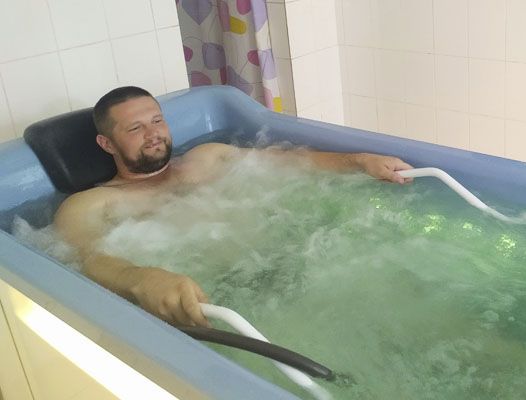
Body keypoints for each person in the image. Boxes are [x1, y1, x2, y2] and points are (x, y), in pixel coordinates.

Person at [54, 86, 413, 328]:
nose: (153, 134)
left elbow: (291, 162)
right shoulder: (90, 204)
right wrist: (142, 278)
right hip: (210, 302)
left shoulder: (208, 157)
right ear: (107, 143)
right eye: (135, 128)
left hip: (293, 262)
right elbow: (87, 259)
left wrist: (359, 161)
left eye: (157, 121)